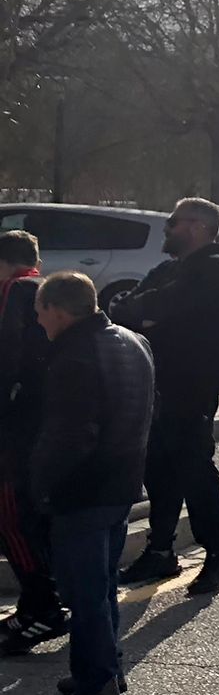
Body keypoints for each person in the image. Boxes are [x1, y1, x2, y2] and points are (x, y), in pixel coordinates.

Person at [30, 272, 153, 695]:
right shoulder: (133, 342)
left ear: (58, 311)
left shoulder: (74, 356)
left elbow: (70, 435)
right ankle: (104, 668)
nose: (38, 320)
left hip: (84, 489)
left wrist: (41, 485)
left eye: (40, 311)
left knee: (84, 593)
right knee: (101, 587)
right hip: (121, 482)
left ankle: (96, 685)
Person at [111, 197, 219, 596]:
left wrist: (147, 312)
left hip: (192, 389)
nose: (166, 230)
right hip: (156, 386)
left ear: (199, 227)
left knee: (195, 471)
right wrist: (142, 312)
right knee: (158, 471)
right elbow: (121, 307)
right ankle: (160, 549)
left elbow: (159, 304)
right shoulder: (171, 269)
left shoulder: (217, 270)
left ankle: (216, 556)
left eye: (173, 223)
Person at [0, 230, 65, 654]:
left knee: (13, 518)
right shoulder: (40, 289)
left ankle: (42, 606)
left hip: (15, 430)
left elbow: (8, 360)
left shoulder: (16, 290)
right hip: (35, 425)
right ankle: (37, 602)